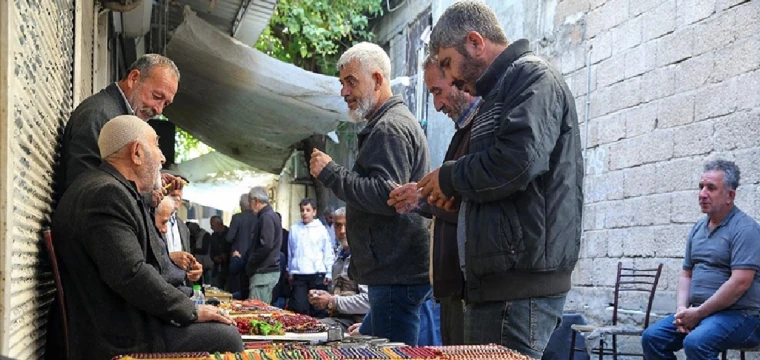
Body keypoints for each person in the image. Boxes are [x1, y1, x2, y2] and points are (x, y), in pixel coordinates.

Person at [417, 2, 584, 357]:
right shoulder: (500, 90)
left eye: (446, 62)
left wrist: (450, 177)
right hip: (498, 286)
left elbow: (517, 163)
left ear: (475, 42)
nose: (451, 78)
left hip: (517, 288)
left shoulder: (532, 78)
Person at [52, 115, 242, 359]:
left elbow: (148, 264)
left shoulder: (111, 189)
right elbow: (131, 274)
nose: (162, 157)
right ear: (137, 153)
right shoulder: (107, 194)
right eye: (157, 145)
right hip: (118, 336)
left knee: (220, 324)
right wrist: (190, 311)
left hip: (126, 320)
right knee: (226, 337)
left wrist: (191, 304)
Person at [309, 42, 432, 346]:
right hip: (392, 272)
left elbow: (385, 196)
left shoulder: (389, 127)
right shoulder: (388, 123)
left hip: (395, 272)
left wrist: (330, 172)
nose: (344, 92)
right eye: (342, 83)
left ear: (377, 80)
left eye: (351, 81)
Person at [388, 55, 479, 345]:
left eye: (438, 92)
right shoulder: (464, 131)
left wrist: (427, 196)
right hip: (453, 286)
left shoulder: (483, 129)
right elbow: (455, 200)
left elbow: (476, 205)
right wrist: (423, 197)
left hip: (472, 286)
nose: (437, 105)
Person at [642, 160, 760, 360]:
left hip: (743, 316)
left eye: (711, 188)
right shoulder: (698, 229)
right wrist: (682, 309)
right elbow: (686, 273)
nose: (702, 194)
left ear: (730, 195)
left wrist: (698, 313)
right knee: (652, 338)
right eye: (701, 187)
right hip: (700, 313)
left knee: (697, 342)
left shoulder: (745, 229)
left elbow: (740, 282)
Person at [55, 54, 180, 200]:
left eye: (165, 104)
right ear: (134, 78)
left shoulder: (117, 117)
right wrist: (146, 196)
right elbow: (87, 189)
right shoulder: (99, 115)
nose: (158, 110)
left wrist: (149, 177)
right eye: (157, 97)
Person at [310, 208, 370, 332]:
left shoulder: (363, 257)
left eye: (346, 225)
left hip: (357, 323)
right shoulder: (338, 258)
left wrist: (332, 301)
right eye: (338, 225)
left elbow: (368, 301)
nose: (342, 231)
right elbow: (337, 295)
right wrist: (322, 297)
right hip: (338, 319)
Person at [287, 198, 335, 316]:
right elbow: (290, 251)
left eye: (308, 210)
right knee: (299, 307)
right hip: (299, 274)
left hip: (317, 274)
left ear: (314, 212)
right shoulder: (294, 229)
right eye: (302, 210)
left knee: (318, 307)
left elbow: (327, 251)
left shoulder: (321, 229)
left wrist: (329, 272)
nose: (305, 213)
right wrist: (289, 271)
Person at [243, 186, 282, 303]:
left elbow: (266, 246)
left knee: (257, 312)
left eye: (250, 203)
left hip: (264, 272)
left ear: (255, 201)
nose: (249, 207)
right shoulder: (270, 216)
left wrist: (251, 261)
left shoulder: (266, 217)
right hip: (266, 271)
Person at [227, 193, 257, 293]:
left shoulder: (237, 218)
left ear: (241, 205)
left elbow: (229, 237)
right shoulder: (258, 217)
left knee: (236, 287)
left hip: (238, 255)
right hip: (253, 257)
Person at [209, 215, 231, 289]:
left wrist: (226, 256)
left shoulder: (229, 233)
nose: (211, 228)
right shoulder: (213, 236)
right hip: (217, 268)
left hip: (228, 268)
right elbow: (211, 251)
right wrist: (214, 257)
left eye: (212, 225)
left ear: (218, 224)